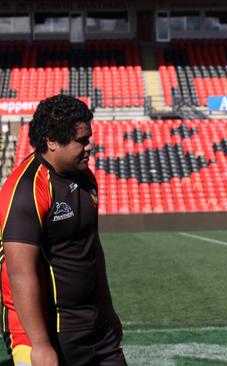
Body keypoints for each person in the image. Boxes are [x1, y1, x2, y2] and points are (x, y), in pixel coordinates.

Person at [0, 95, 126, 365]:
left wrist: (108, 310)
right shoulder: (26, 189)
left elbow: (91, 248)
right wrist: (41, 344)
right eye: (81, 141)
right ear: (52, 141)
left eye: (88, 138)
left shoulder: (85, 178)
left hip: (95, 325)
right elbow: (20, 272)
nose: (90, 146)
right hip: (44, 332)